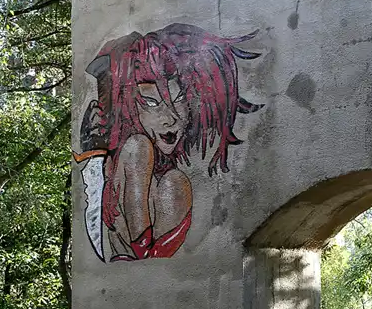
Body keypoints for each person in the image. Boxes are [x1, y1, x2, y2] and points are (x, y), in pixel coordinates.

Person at [75, 23, 262, 261]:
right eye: (151, 103)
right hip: (123, 252)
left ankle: (138, 254)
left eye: (180, 98)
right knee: (138, 147)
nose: (171, 118)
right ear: (127, 109)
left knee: (175, 182)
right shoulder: (131, 150)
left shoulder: (173, 186)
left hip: (149, 273)